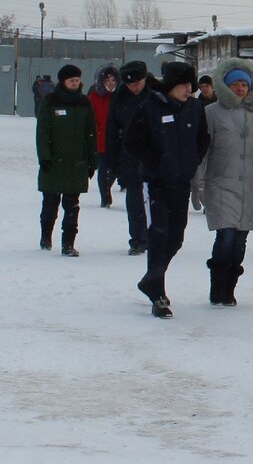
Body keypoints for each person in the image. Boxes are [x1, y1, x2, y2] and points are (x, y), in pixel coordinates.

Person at [123, 63, 210, 319]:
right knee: (159, 236)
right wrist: (157, 162)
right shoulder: (149, 107)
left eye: (190, 86)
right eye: (184, 85)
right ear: (172, 85)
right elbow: (132, 143)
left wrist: (192, 161)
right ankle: (158, 293)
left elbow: (203, 138)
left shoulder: (194, 107)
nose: (188, 90)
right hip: (156, 183)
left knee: (176, 237)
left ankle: (150, 279)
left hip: (181, 183)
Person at [191, 59, 253, 307]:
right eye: (235, 84)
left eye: (244, 84)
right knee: (226, 235)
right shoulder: (211, 113)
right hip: (220, 182)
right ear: (226, 87)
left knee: (240, 241)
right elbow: (204, 151)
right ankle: (218, 286)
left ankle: (229, 287)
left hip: (249, 184)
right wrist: (197, 183)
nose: (240, 88)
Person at [36, 64, 97, 256]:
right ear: (63, 81)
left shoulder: (84, 102)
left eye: (77, 80)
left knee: (72, 207)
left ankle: (68, 244)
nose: (75, 83)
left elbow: (90, 133)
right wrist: (44, 157)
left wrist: (91, 161)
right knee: (50, 204)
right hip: (53, 163)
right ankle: (46, 236)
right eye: (71, 80)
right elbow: (43, 131)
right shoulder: (50, 101)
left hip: (76, 163)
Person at [107, 60, 153, 255]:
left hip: (154, 157)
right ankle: (137, 238)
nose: (134, 87)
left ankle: (155, 236)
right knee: (134, 200)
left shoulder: (157, 95)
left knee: (155, 201)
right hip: (130, 158)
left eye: (137, 83)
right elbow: (112, 131)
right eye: (130, 84)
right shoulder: (120, 98)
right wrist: (113, 161)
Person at [87, 65, 120, 207]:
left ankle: (107, 188)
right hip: (101, 139)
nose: (111, 82)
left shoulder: (120, 95)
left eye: (114, 79)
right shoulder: (94, 96)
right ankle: (105, 197)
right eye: (108, 79)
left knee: (115, 169)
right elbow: (90, 117)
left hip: (117, 139)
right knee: (103, 168)